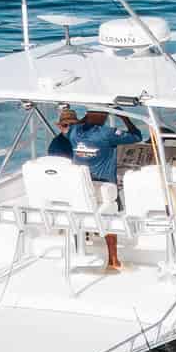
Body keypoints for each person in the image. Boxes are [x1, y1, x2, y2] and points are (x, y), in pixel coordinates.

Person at [56, 106, 142, 270]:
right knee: (112, 216)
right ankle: (113, 259)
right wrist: (124, 117)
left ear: (87, 115)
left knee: (83, 212)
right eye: (105, 113)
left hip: (82, 187)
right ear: (103, 115)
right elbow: (137, 136)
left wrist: (87, 118)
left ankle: (82, 248)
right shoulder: (107, 133)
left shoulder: (73, 132)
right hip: (104, 186)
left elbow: (72, 126)